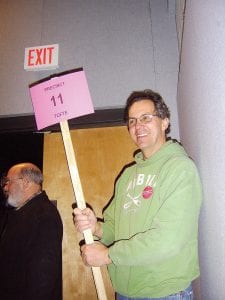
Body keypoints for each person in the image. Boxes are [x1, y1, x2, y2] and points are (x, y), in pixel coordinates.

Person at [74, 89, 202, 300]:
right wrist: (95, 226)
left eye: (145, 118)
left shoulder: (180, 169)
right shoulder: (127, 175)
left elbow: (168, 240)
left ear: (164, 122)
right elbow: (115, 229)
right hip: (125, 291)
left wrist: (107, 255)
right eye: (132, 121)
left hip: (163, 292)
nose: (137, 126)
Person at [0, 162, 63, 300]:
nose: (5, 186)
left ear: (26, 182)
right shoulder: (24, 211)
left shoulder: (44, 215)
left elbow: (43, 275)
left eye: (8, 181)